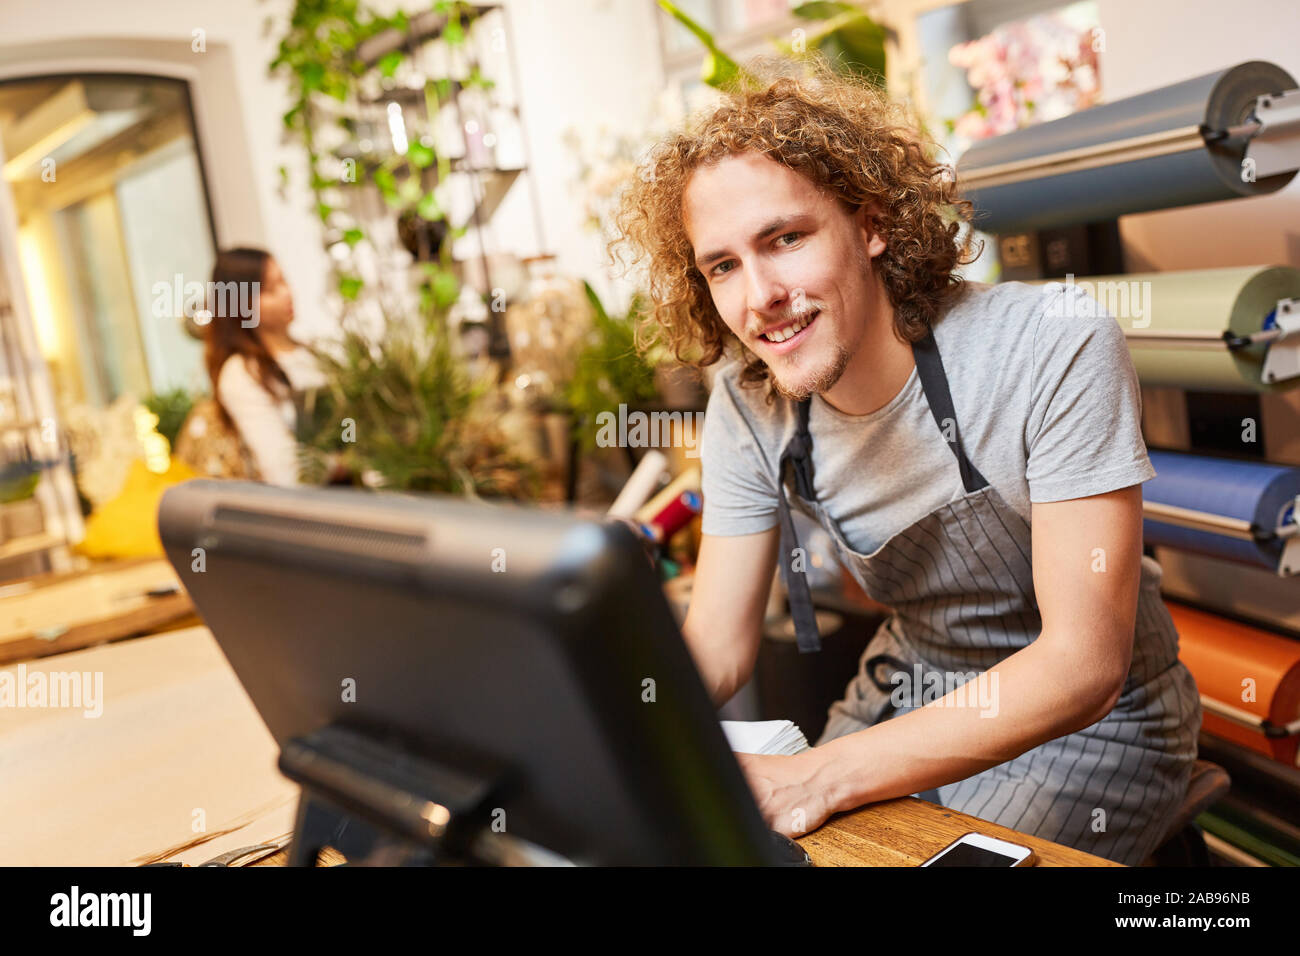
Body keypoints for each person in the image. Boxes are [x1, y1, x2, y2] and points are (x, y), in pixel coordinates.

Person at [611, 62, 1201, 866]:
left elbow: (1083, 666)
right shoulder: (747, 405)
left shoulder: (1051, 346)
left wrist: (817, 776)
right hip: (912, 681)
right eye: (722, 266)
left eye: (785, 239)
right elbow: (717, 645)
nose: (759, 298)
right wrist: (600, 716)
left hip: (1100, 723)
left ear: (872, 223)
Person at [187, 247, 325, 486]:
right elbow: (286, 473)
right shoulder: (241, 374)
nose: (287, 294)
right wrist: (342, 463)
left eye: (284, 281)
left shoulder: (314, 350)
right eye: (271, 290)